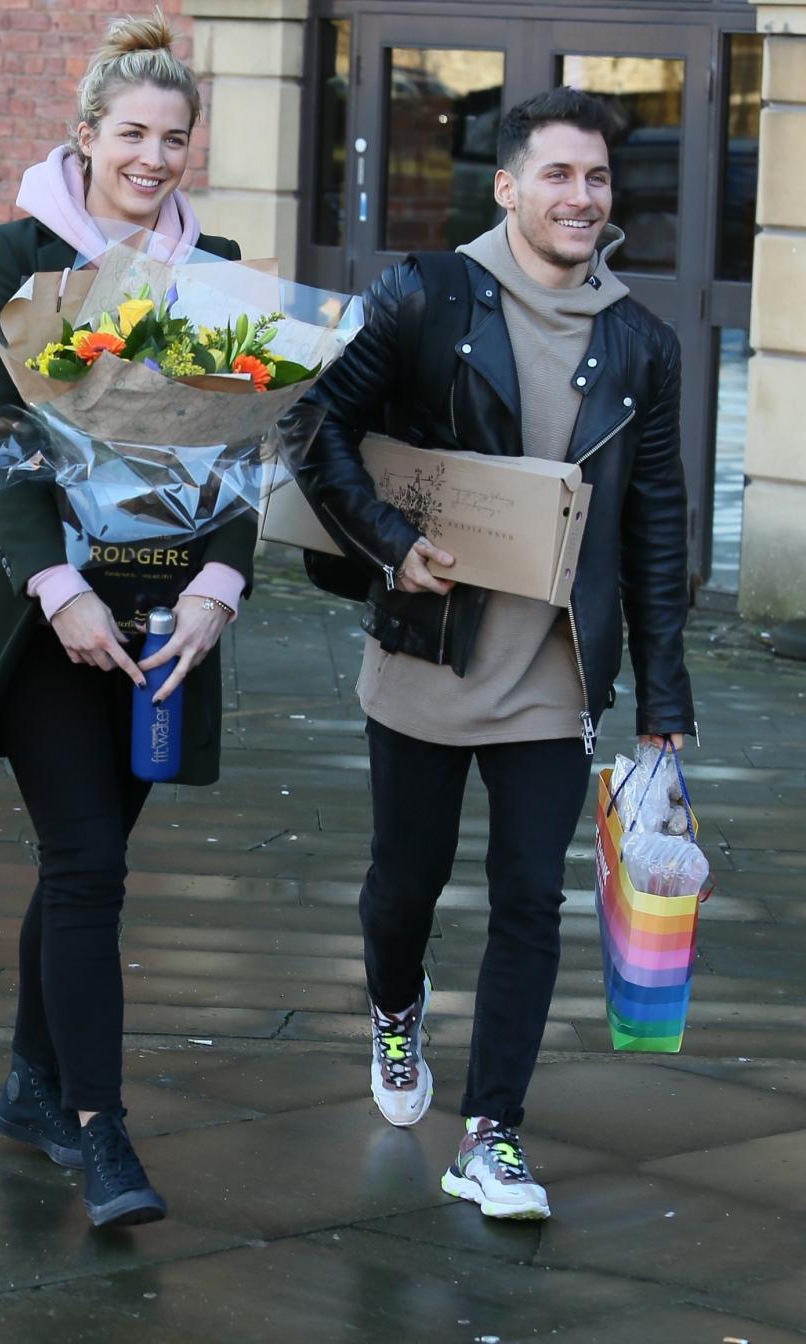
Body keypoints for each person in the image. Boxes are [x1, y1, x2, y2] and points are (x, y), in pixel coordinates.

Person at [295, 87, 695, 1220]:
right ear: (508, 185)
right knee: (402, 891)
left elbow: (657, 526)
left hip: (556, 675)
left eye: (598, 177)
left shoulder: (640, 342)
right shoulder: (425, 297)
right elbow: (315, 425)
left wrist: (664, 700)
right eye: (558, 175)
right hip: (427, 658)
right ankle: (394, 1004)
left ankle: (493, 1133)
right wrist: (390, 546)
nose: (583, 196)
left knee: (530, 899)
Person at [0, 10, 256, 1228]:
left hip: (167, 616)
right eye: (132, 133)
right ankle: (103, 1133)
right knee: (90, 865)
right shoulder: (15, 257)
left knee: (83, 861)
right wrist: (56, 591)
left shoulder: (209, 266)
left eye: (173, 137)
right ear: (88, 135)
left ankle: (29, 1084)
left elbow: (231, 449)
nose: (153, 157)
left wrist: (221, 587)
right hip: (44, 610)